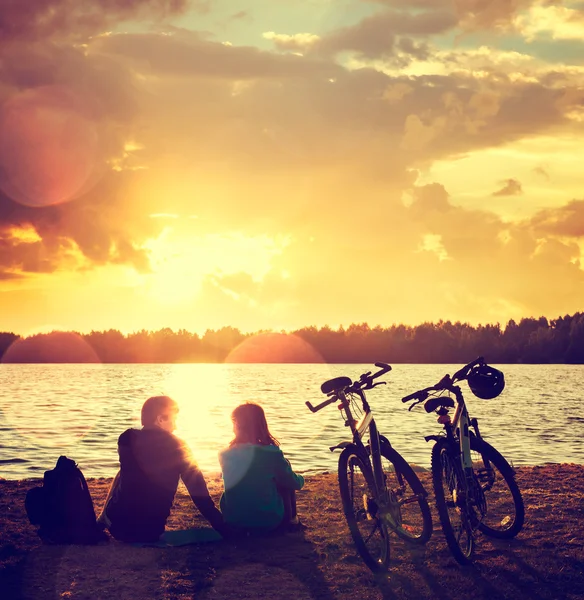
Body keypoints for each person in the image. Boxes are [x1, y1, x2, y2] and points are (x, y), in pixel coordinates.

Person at [98, 395, 228, 543]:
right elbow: (199, 494)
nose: (176, 426)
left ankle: (102, 521)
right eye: (173, 420)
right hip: (151, 532)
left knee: (123, 472)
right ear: (160, 419)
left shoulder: (126, 438)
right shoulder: (179, 446)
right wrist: (223, 528)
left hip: (119, 529)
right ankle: (104, 520)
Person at [219, 402, 304, 534]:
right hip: (269, 522)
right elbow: (294, 483)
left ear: (236, 426)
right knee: (284, 476)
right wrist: (301, 479)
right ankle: (292, 520)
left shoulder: (224, 454)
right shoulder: (272, 453)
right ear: (261, 425)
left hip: (234, 522)